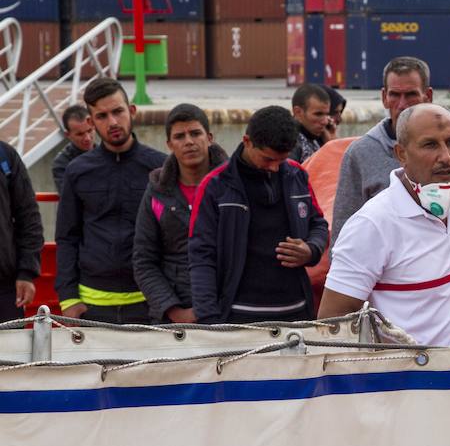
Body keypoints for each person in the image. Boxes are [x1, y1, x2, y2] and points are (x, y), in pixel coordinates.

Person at [318, 104, 450, 346]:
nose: (446, 157)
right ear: (401, 154)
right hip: (410, 372)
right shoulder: (372, 224)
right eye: (430, 145)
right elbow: (332, 324)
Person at [189, 106, 329, 324]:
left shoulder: (297, 175)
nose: (274, 168)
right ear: (247, 141)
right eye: (267, 159)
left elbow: (318, 224)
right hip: (238, 317)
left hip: (297, 314)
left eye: (281, 160)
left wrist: (311, 250)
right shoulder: (215, 186)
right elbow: (201, 255)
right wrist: (209, 321)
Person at [55, 78, 166, 324]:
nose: (113, 122)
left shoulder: (161, 167)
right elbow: (66, 236)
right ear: (91, 122)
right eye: (102, 116)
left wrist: (170, 299)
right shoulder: (77, 171)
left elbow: (175, 236)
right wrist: (68, 298)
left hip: (150, 301)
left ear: (132, 111)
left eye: (118, 111)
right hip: (91, 305)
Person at [132, 104, 228, 324]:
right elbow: (144, 260)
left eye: (195, 133)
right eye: (179, 136)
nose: (189, 142)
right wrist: (174, 311)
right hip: (175, 320)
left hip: (228, 312)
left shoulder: (234, 186)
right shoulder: (157, 192)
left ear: (209, 138)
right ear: (169, 144)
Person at [331, 56, 433, 246]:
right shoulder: (360, 154)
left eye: (411, 94)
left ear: (428, 96)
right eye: (395, 95)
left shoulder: (448, 149)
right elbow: (343, 232)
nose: (402, 104)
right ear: (384, 97)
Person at [0, 141, 42, 321]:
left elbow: (28, 216)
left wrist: (26, 272)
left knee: (9, 340)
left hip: (4, 288)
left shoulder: (5, 155)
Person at [52, 104, 95, 195]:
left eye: (89, 131)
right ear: (68, 135)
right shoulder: (62, 163)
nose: (87, 138)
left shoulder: (107, 153)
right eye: (80, 134)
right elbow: (69, 196)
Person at [290, 83, 331, 163]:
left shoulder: (317, 137)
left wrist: (330, 143)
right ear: (298, 112)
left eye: (327, 114)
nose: (325, 121)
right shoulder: (290, 143)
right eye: (318, 114)